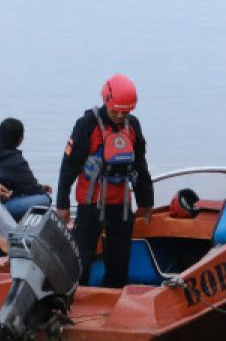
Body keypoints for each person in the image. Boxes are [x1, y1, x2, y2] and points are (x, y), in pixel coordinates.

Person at [56, 74, 154, 289]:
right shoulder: (86, 125)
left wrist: (146, 202)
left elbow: (139, 165)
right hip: (91, 205)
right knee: (82, 257)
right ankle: (76, 296)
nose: (120, 115)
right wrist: (62, 203)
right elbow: (68, 165)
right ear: (106, 101)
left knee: (120, 259)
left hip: (122, 206)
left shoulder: (133, 126)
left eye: (125, 111)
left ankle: (114, 296)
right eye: (116, 110)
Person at [0, 117, 52, 221]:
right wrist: (41, 190)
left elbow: (13, 179)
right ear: (20, 138)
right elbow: (32, 189)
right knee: (45, 200)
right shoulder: (15, 160)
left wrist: (39, 187)